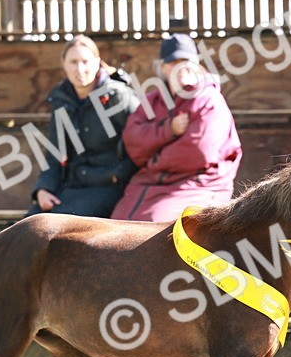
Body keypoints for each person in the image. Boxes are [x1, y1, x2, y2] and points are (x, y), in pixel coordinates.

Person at [110, 33, 242, 222]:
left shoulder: (209, 98)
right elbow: (133, 139)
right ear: (163, 67)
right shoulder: (153, 100)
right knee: (118, 223)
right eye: (173, 62)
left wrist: (154, 159)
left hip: (199, 183)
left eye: (185, 60)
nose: (180, 67)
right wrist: (168, 130)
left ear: (196, 63)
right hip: (150, 182)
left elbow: (198, 152)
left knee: (153, 227)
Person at [27, 34, 139, 218]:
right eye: (73, 62)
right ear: (63, 64)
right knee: (25, 228)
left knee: (62, 228)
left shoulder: (118, 96)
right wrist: (43, 188)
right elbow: (54, 153)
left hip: (110, 186)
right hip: (72, 185)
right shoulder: (61, 100)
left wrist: (119, 174)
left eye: (85, 61)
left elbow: (143, 141)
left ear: (97, 62)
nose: (80, 69)